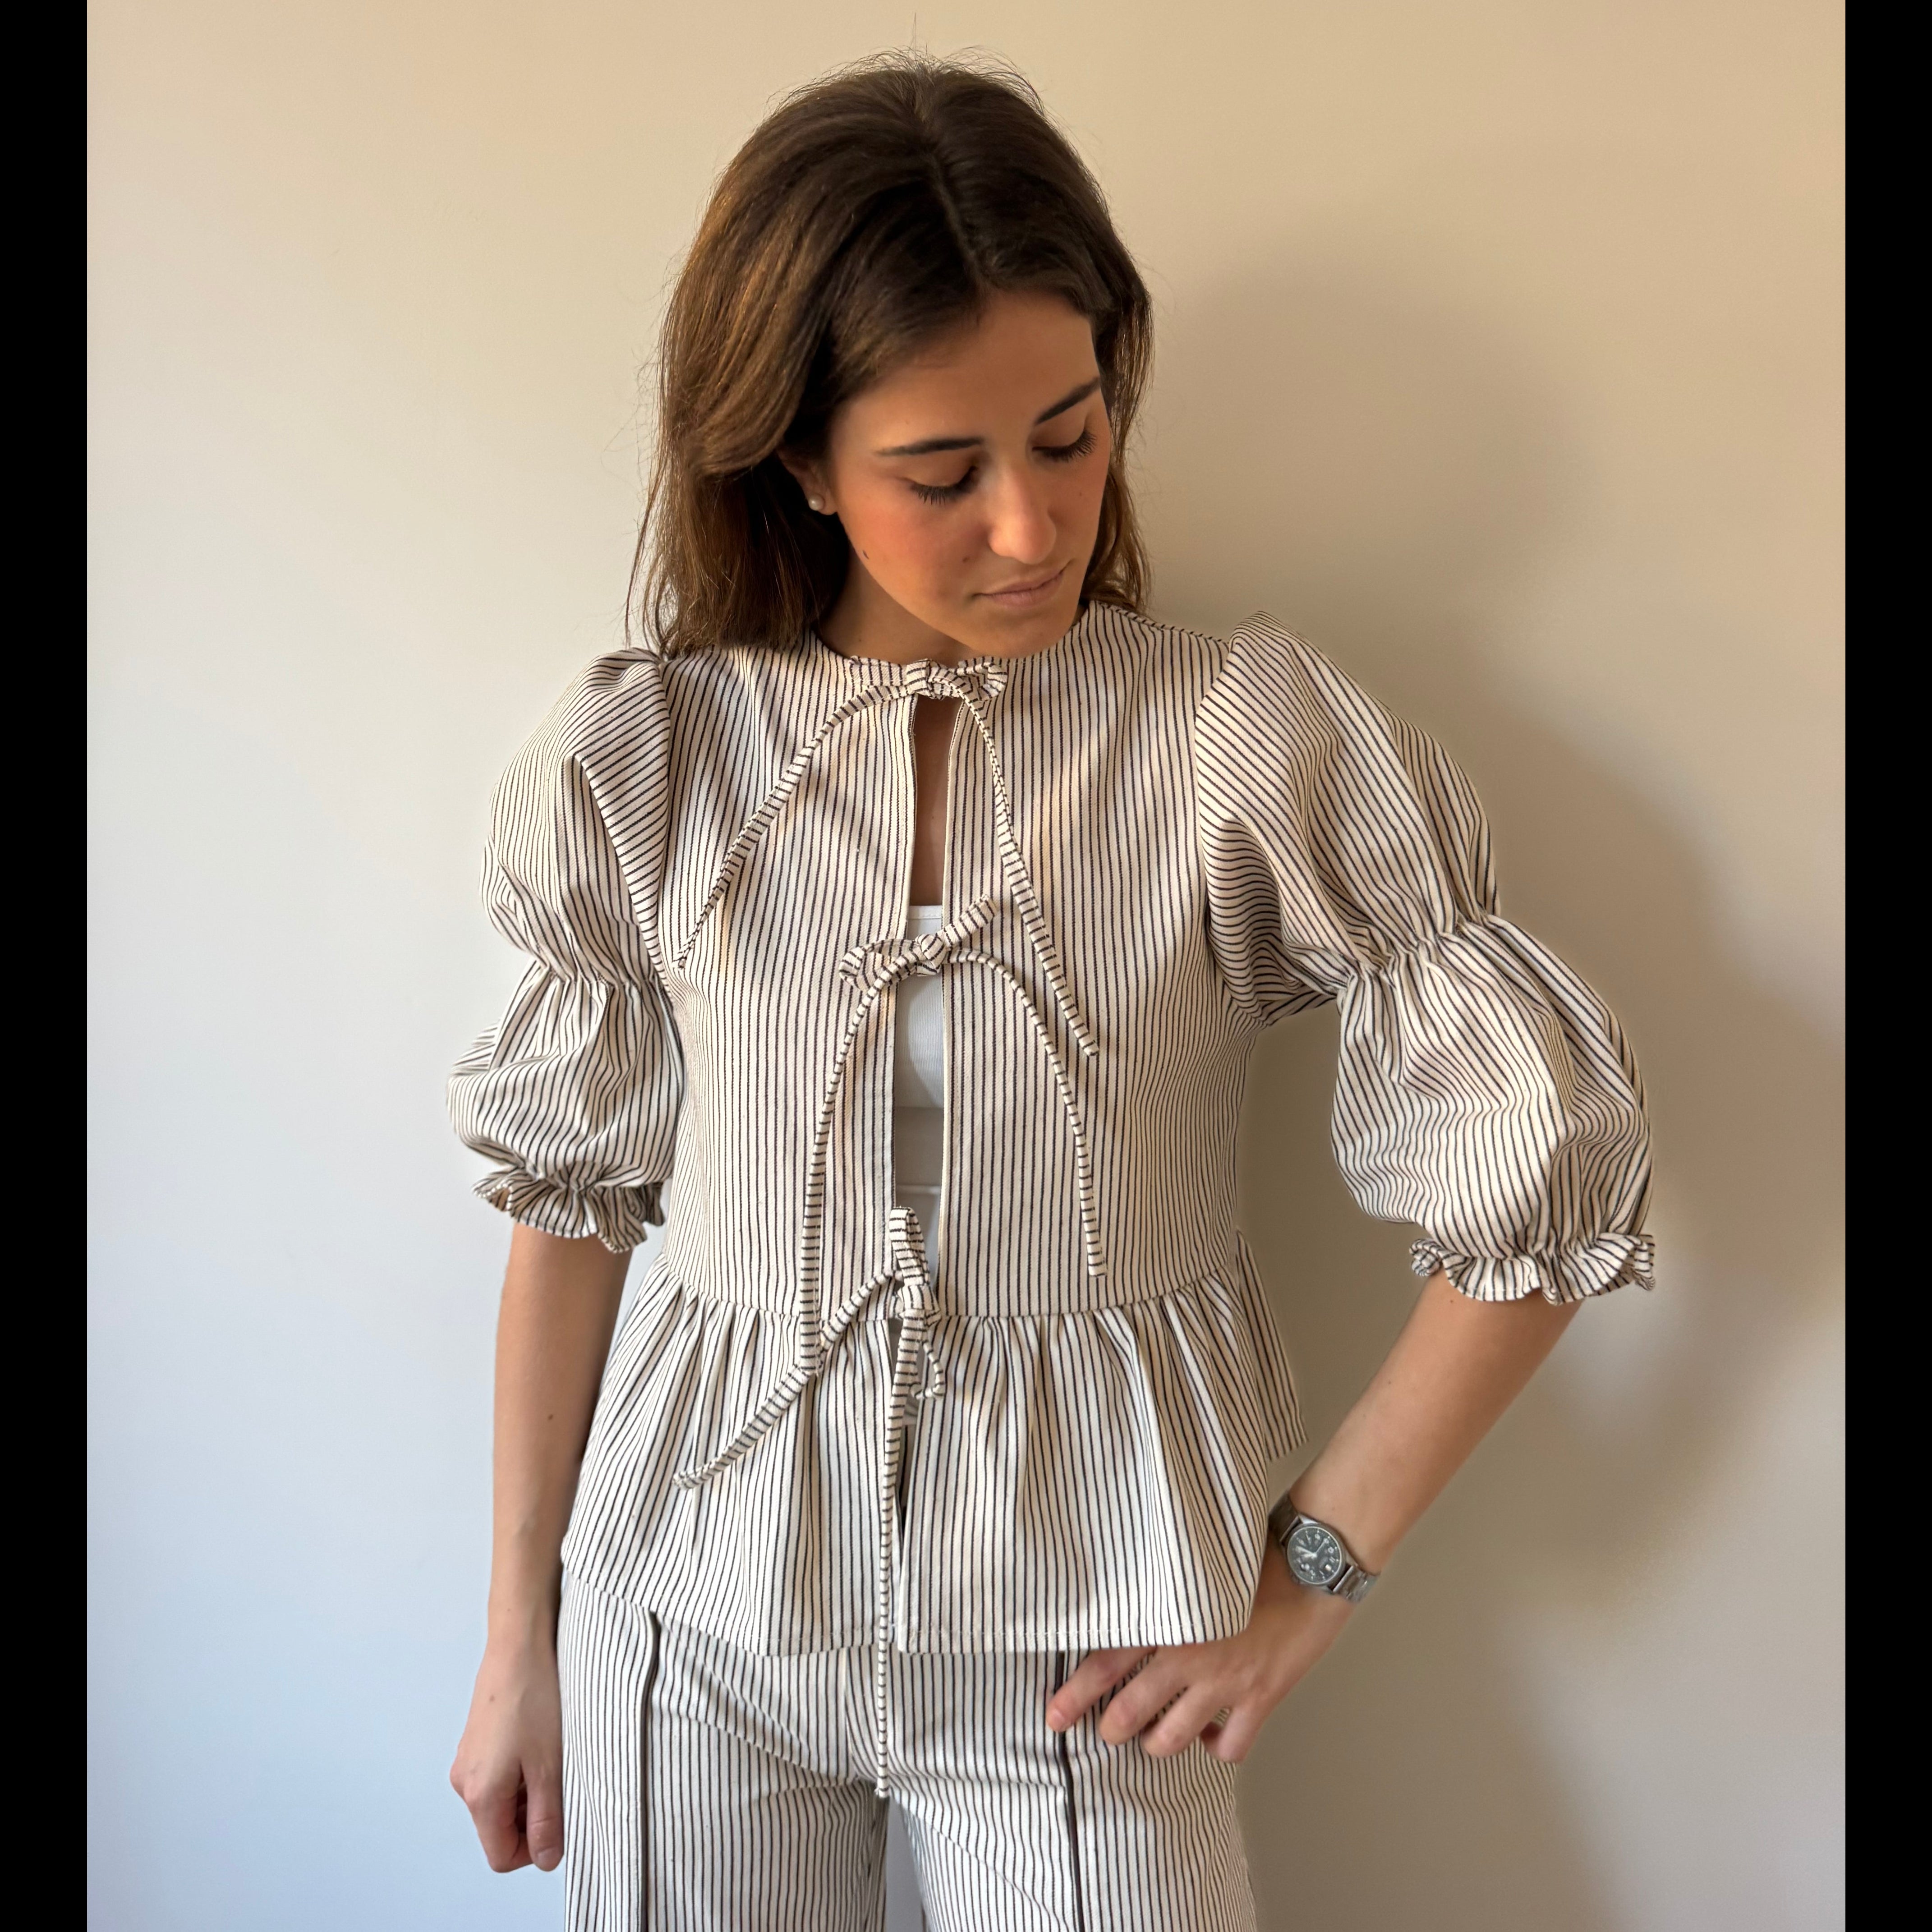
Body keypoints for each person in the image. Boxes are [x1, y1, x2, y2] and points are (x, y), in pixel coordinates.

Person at [446, 55, 1652, 1932]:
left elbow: (1548, 1168)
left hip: (1091, 1651)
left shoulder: (1230, 741)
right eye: (942, 473)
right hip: (687, 1620)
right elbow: (570, 1210)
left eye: (1071, 437)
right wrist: (515, 1636)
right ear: (796, 461)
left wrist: (1316, 1571)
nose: (1031, 526)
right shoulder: (655, 759)